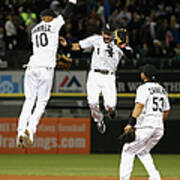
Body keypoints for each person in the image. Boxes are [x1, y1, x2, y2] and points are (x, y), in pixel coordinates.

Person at [16, 0, 77, 148]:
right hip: (45, 69)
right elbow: (68, 10)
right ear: (49, 18)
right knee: (41, 102)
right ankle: (31, 129)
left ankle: (19, 132)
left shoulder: (34, 29)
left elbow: (45, 46)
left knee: (29, 100)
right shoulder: (54, 25)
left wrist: (56, 40)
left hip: (31, 66)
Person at [60, 24, 130, 134]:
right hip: (94, 75)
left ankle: (111, 112)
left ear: (113, 34)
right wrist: (66, 45)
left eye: (108, 34)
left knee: (110, 105)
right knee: (92, 103)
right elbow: (79, 46)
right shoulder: (96, 39)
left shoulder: (118, 45)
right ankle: (99, 120)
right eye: (104, 33)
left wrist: (124, 44)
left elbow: (130, 54)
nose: (106, 36)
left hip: (109, 77)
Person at [119, 64, 170, 180]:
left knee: (127, 150)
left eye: (142, 72)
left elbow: (139, 106)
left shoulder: (143, 88)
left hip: (146, 126)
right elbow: (166, 111)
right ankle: (155, 177)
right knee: (143, 151)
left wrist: (131, 123)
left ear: (144, 75)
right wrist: (157, 122)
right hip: (159, 129)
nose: (140, 73)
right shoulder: (162, 90)